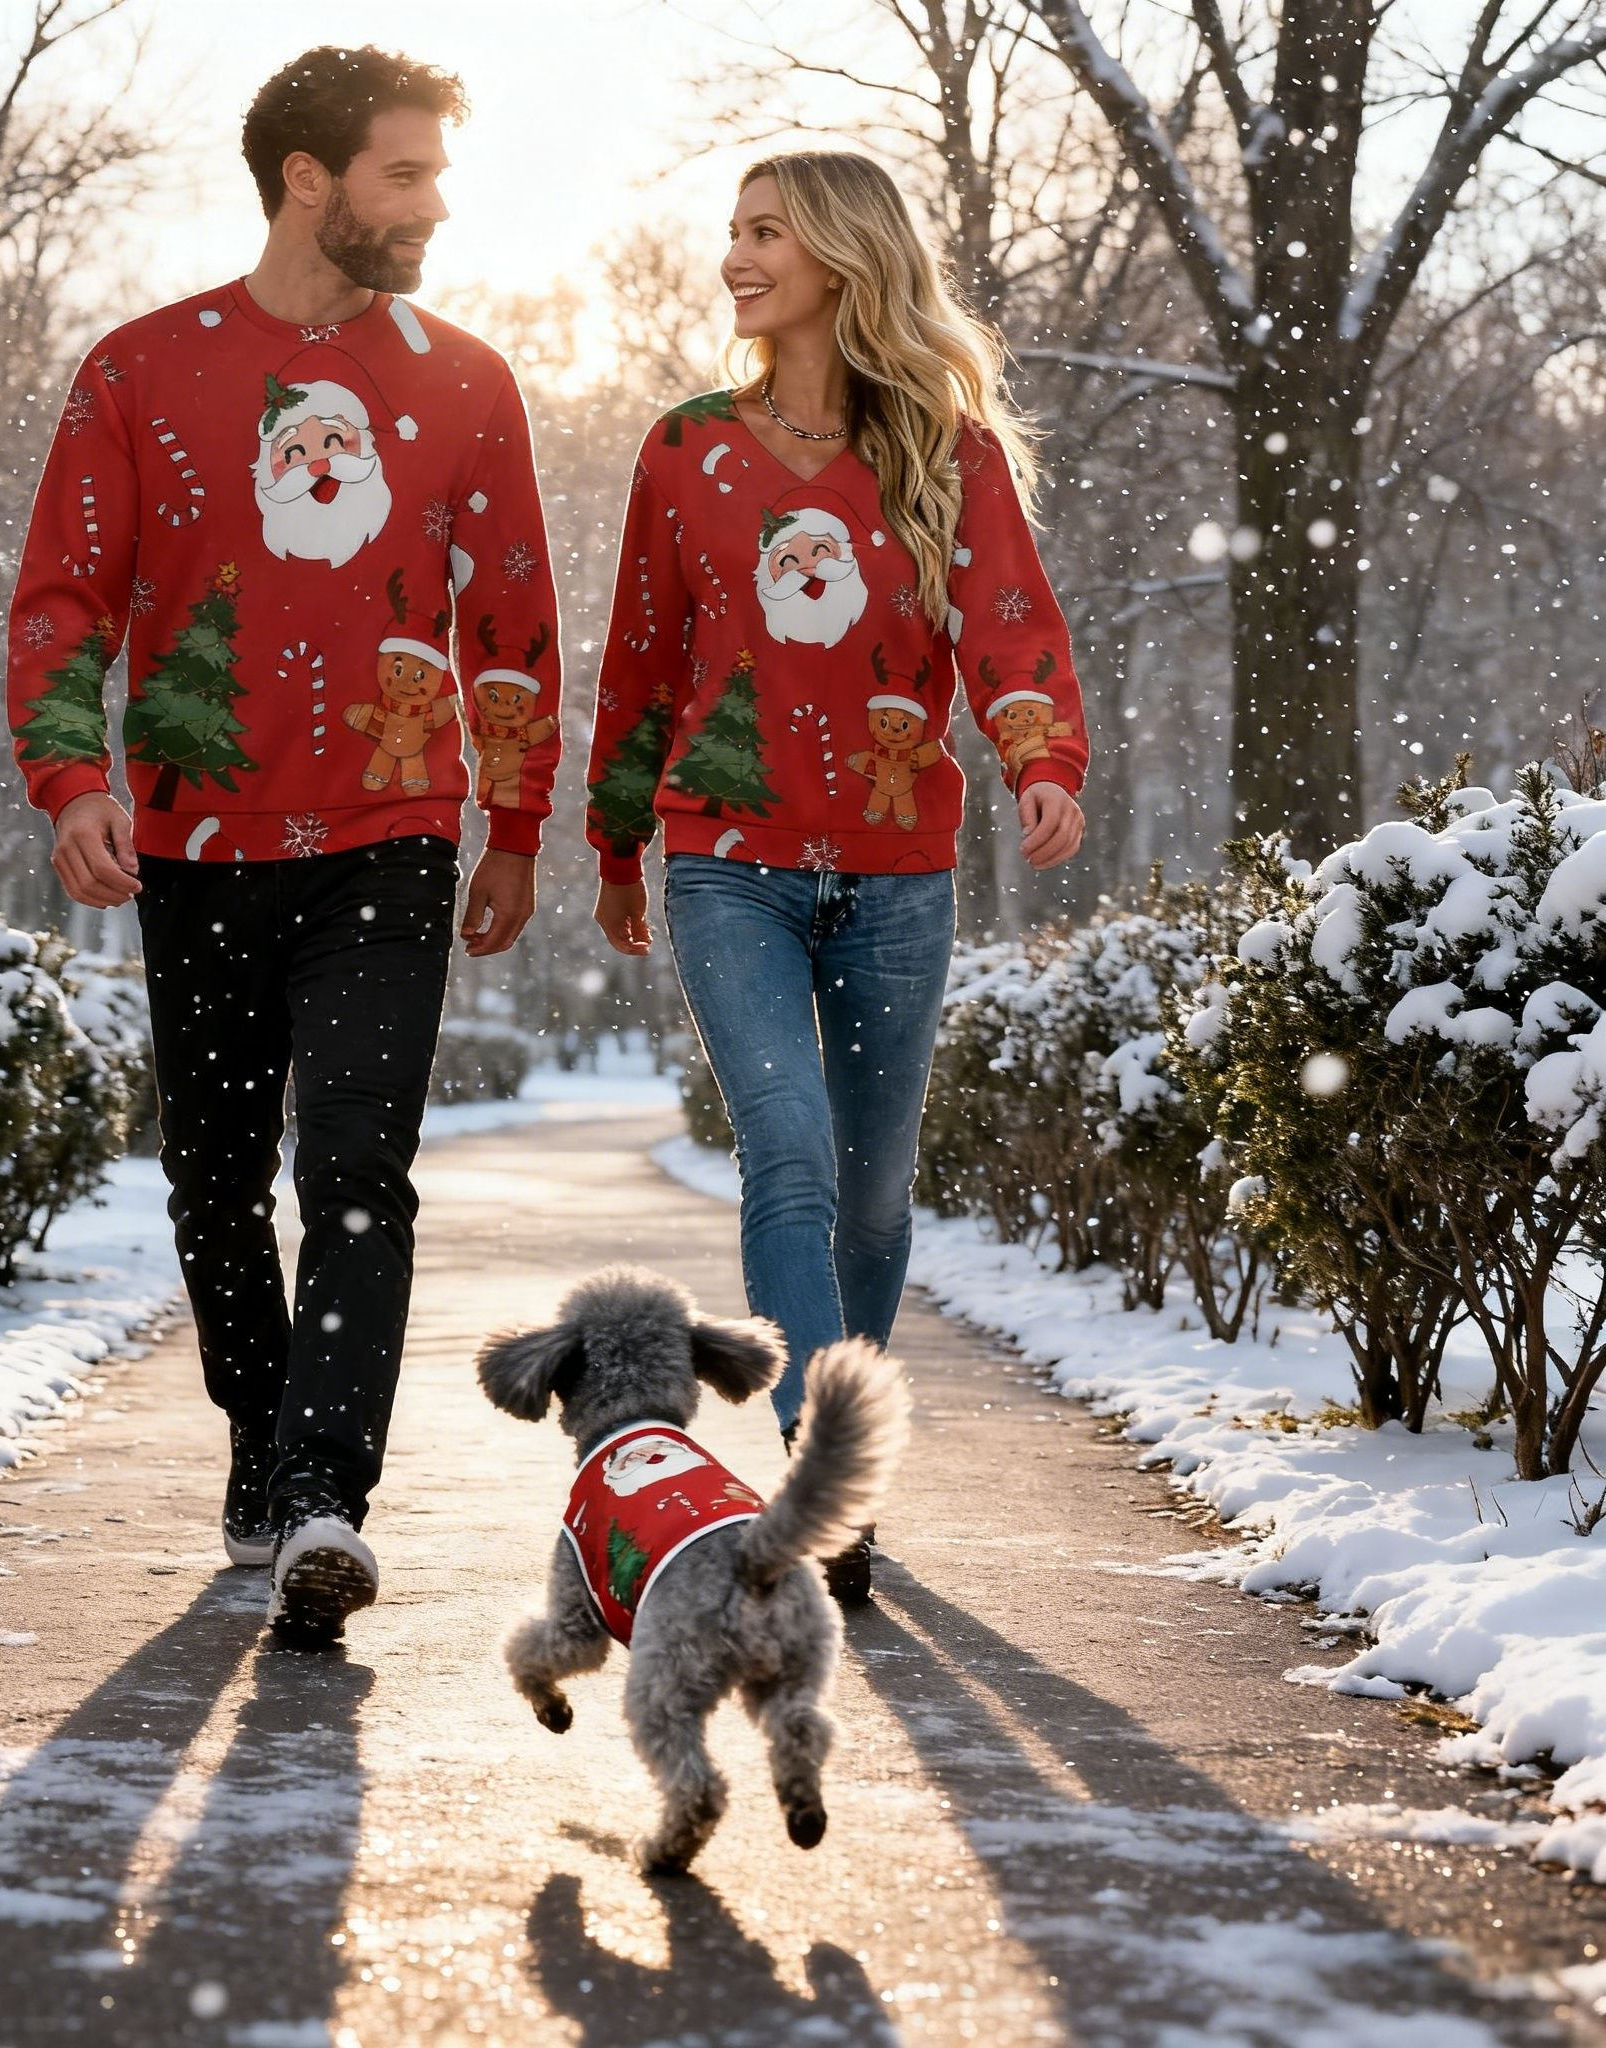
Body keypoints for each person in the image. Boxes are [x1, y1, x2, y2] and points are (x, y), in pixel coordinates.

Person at [5, 46, 560, 1643]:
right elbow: (64, 601)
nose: (434, 205)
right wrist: (72, 777)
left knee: (360, 1168)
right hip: (195, 839)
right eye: (406, 174)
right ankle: (260, 1433)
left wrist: (511, 822)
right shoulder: (139, 373)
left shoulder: (467, 381)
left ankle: (326, 1496)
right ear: (308, 179)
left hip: (392, 833)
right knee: (214, 1183)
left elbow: (510, 621)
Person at [585, 151, 1087, 1606]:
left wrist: (1036, 753)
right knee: (788, 1153)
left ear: (844, 256)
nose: (736, 256)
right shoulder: (686, 450)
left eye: (766, 233)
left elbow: (1005, 620)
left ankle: (842, 1461)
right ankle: (819, 1474)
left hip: (895, 872)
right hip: (726, 863)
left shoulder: (944, 443)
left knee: (872, 1199)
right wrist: (618, 838)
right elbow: (643, 658)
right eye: (731, 231)